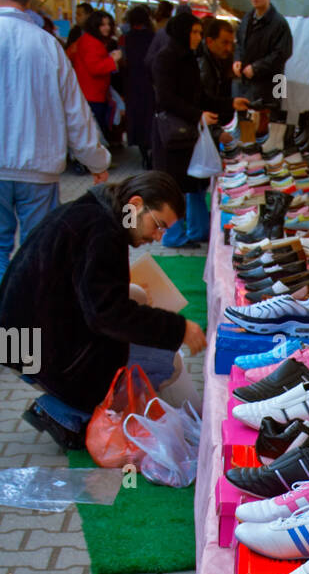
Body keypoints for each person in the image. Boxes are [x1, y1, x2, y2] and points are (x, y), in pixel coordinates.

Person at [0, 171, 207, 450]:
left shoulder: (93, 212)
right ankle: (69, 412)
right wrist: (179, 328)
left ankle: (73, 407)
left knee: (138, 302)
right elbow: (106, 314)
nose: (158, 237)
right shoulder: (103, 232)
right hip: (32, 349)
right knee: (166, 360)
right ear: (135, 205)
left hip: (20, 339)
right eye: (158, 225)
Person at [0, 0, 110, 279]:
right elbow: (75, 112)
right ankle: (28, 321)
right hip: (39, 167)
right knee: (38, 251)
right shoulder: (48, 45)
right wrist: (97, 161)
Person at [150, 12, 219, 248]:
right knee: (174, 185)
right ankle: (173, 235)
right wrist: (197, 115)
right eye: (195, 32)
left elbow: (199, 95)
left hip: (188, 132)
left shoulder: (189, 57)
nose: (199, 37)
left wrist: (229, 104)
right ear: (183, 32)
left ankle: (199, 229)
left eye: (200, 32)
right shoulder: (166, 58)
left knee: (194, 181)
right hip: (172, 133)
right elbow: (166, 97)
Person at [233, 0, 293, 131]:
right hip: (247, 82)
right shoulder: (247, 19)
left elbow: (283, 53)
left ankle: (269, 150)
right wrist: (237, 60)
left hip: (272, 82)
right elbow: (239, 43)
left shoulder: (279, 23)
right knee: (247, 120)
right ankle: (248, 150)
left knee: (269, 124)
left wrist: (257, 67)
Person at [72, 9, 122, 138]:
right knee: (95, 133)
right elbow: (94, 68)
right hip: (92, 94)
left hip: (93, 93)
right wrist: (112, 60)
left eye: (108, 24)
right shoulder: (91, 43)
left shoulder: (91, 41)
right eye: (102, 25)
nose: (107, 28)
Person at [121, 5, 156, 167]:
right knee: (149, 117)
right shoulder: (152, 36)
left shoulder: (127, 37)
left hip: (133, 83)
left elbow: (125, 61)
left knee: (138, 118)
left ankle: (143, 154)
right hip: (149, 83)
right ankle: (150, 152)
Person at [199, 18, 235, 136]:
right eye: (224, 43)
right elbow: (205, 103)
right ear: (209, 41)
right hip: (206, 129)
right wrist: (217, 132)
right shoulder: (203, 65)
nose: (229, 48)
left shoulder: (221, 59)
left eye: (231, 43)